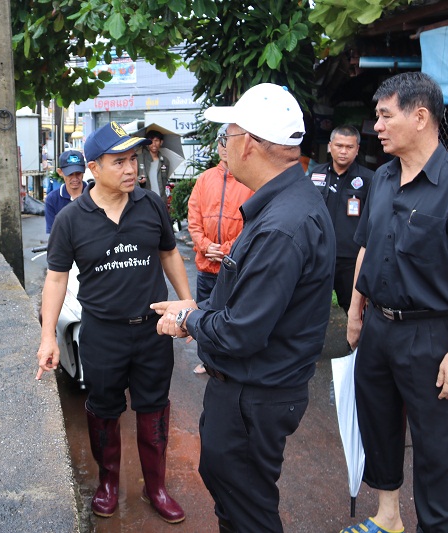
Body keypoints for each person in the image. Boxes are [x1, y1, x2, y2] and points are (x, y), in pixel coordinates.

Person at [151, 83, 336, 532]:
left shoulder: (283, 225)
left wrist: (189, 319)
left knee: (248, 507)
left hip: (256, 393)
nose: (224, 146)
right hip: (255, 388)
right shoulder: (284, 207)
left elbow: (242, 331)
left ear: (249, 143)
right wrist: (199, 309)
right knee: (235, 496)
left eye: (228, 135)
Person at [35, 121, 192, 523]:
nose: (130, 169)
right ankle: (108, 484)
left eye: (133, 159)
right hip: (102, 333)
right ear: (93, 167)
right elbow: (55, 279)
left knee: (154, 408)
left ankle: (155, 488)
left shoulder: (151, 204)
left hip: (152, 330)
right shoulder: (72, 218)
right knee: (103, 409)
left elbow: (169, 254)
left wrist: (186, 300)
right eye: (118, 161)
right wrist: (48, 336)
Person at [340, 72, 448, 533]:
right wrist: (356, 313)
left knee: (435, 447)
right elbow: (365, 247)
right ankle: (388, 518)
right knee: (379, 427)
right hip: (378, 326)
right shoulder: (382, 178)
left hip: (431, 333)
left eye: (384, 115)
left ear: (419, 117)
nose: (376, 125)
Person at [188, 123, 254, 374]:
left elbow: (251, 225)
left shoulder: (248, 180)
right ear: (218, 146)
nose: (226, 148)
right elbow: (193, 218)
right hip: (206, 263)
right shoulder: (205, 179)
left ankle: (229, 361)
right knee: (205, 311)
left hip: (233, 264)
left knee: (231, 314)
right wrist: (205, 245)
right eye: (222, 143)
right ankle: (207, 359)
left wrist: (226, 249)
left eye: (231, 142)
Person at [308, 125, 374, 314]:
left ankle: (356, 344)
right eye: (339, 145)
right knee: (312, 306)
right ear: (330, 146)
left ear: (357, 149)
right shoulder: (315, 175)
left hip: (350, 258)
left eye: (349, 147)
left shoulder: (369, 179)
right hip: (320, 254)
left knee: (353, 307)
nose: (343, 151)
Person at [44, 149, 88, 233]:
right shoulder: (52, 200)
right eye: (70, 174)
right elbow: (54, 234)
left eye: (78, 173)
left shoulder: (95, 194)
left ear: (84, 170)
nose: (75, 178)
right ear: (60, 172)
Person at [138, 129, 170, 201]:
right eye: (151, 141)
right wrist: (139, 180)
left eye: (156, 140)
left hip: (160, 199)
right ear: (147, 143)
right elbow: (134, 178)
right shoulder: (139, 159)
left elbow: (164, 181)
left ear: (161, 142)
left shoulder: (165, 161)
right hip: (145, 199)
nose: (154, 144)